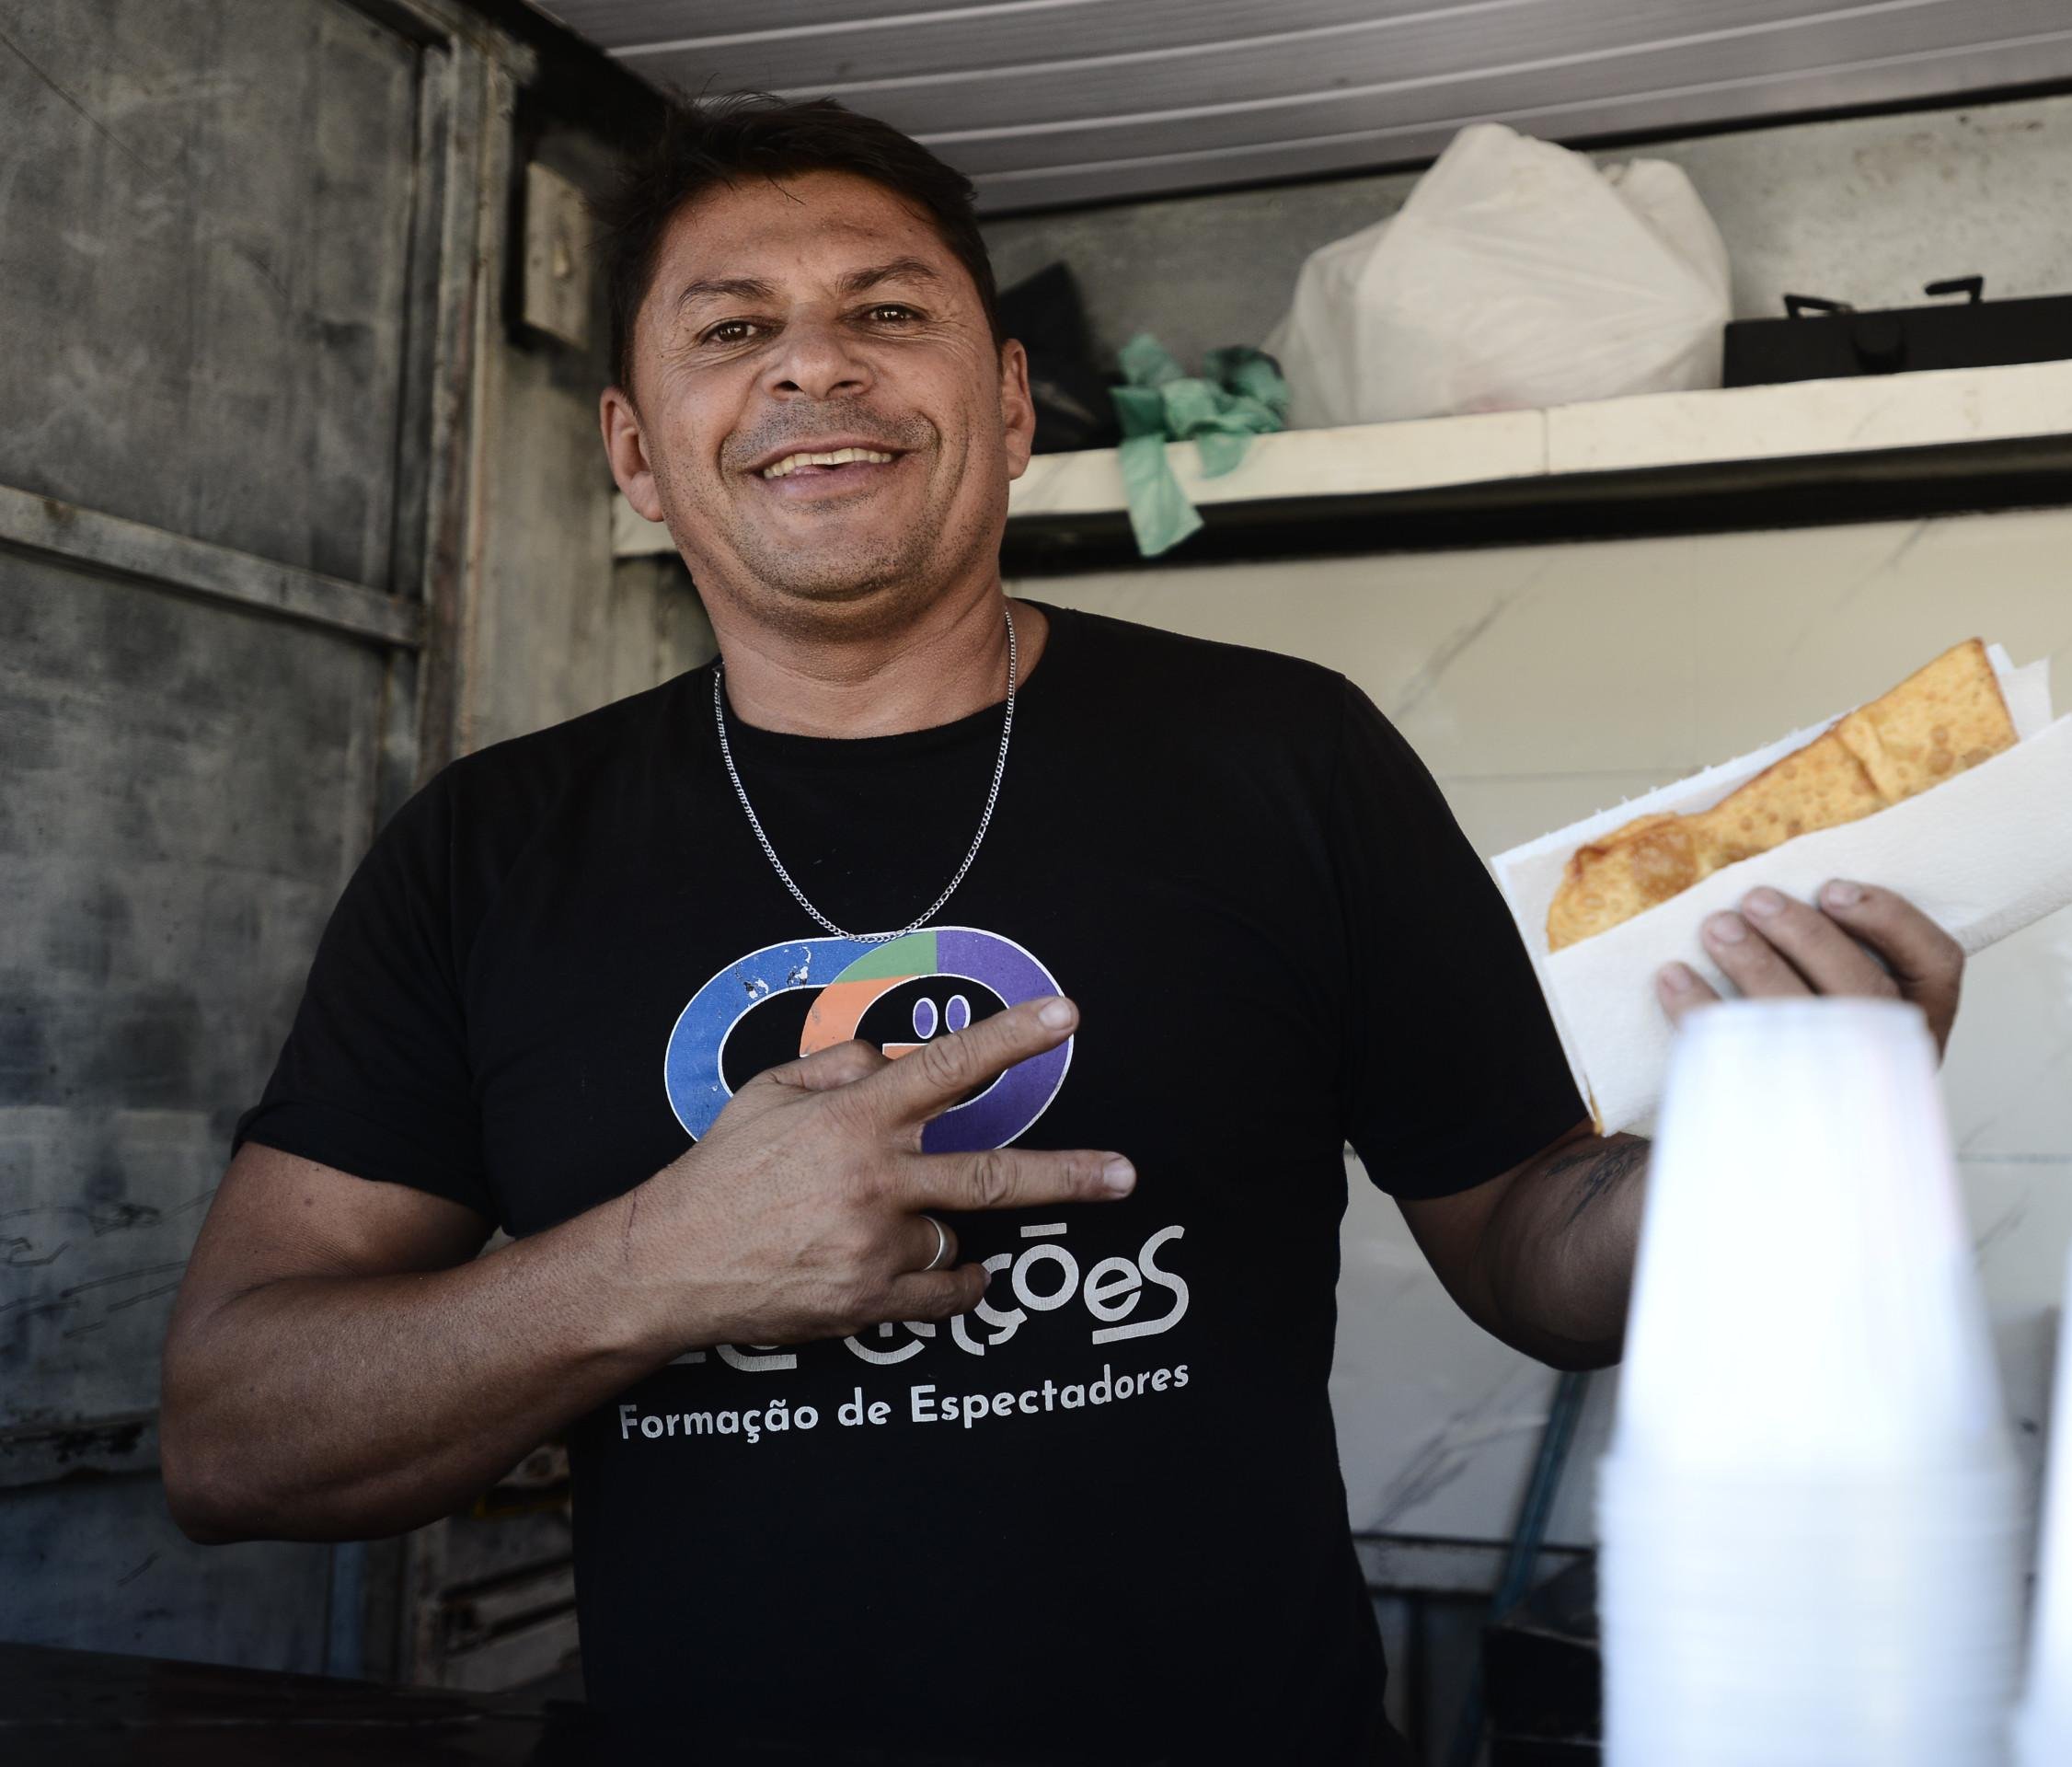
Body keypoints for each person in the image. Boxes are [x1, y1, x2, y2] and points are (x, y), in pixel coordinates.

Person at [159, 95, 1967, 1765]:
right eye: (732, 328)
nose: (813, 364)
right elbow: (235, 1435)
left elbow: (1534, 1253)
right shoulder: (487, 849)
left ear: (1011, 405)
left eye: (887, 313)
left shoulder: (1287, 757)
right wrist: (654, 1265)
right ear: (637, 451)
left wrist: (1787, 1132)